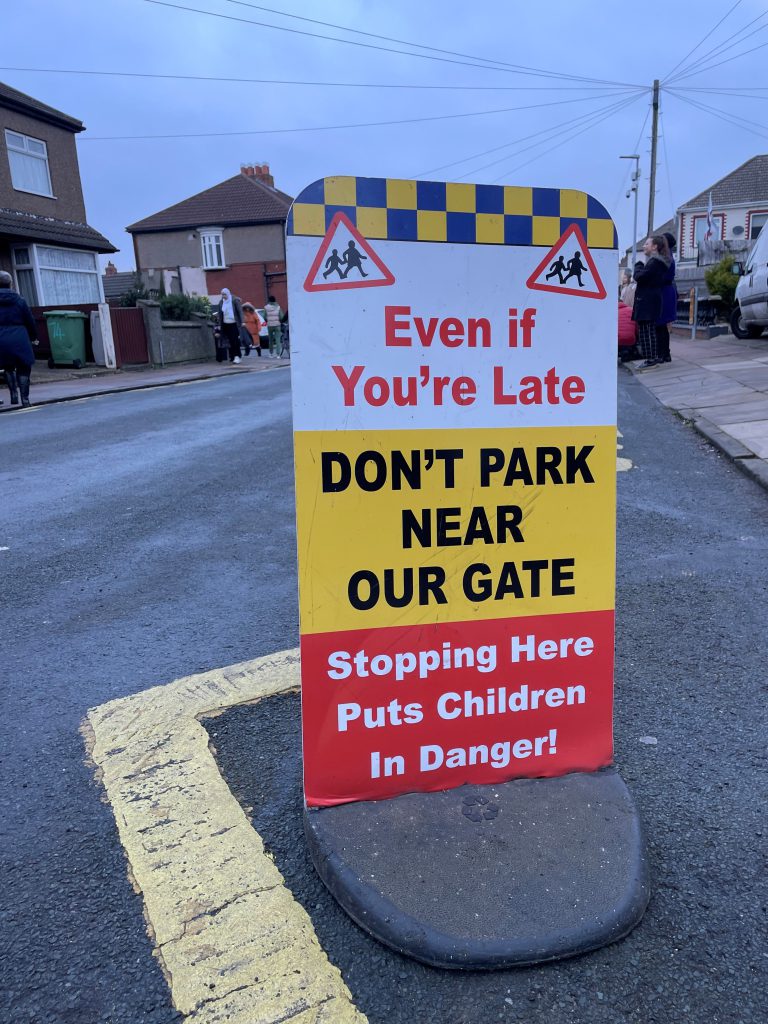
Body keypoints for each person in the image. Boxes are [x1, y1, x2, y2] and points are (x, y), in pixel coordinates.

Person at [632, 235, 672, 368]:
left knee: (645, 330)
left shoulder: (655, 262)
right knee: (649, 330)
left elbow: (640, 277)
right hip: (652, 299)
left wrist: (638, 266)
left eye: (647, 244)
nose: (644, 246)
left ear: (654, 247)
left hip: (647, 300)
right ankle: (653, 357)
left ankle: (650, 359)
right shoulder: (657, 262)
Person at [0, 270, 37, 407]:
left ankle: (13, 394)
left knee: (7, 367)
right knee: (24, 367)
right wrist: (33, 336)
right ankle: (25, 399)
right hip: (19, 337)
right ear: (10, 284)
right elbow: (30, 320)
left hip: (1, 338)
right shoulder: (20, 300)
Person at [656, 232, 677, 363]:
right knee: (662, 325)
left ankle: (663, 354)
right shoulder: (668, 257)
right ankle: (664, 353)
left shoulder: (666, 258)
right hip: (666, 291)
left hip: (664, 291)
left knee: (660, 324)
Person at [216, 288, 244, 364]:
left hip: (234, 323)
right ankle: (232, 356)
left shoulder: (234, 300)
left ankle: (237, 356)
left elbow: (240, 311)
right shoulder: (221, 302)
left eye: (224, 294)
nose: (223, 296)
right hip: (225, 324)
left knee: (235, 340)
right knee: (228, 341)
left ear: (228, 293)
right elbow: (220, 314)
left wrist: (243, 322)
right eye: (222, 294)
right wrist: (219, 324)